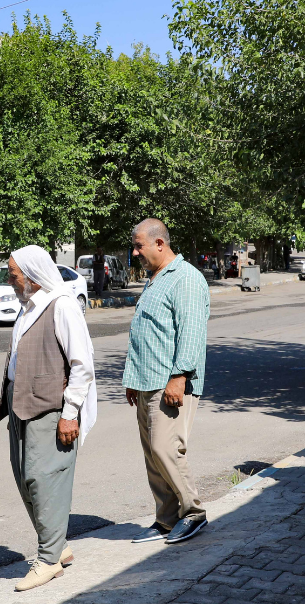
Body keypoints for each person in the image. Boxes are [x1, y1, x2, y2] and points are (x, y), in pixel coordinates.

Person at [0, 246, 97, 591]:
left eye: (13, 274)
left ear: (32, 276)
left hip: (50, 408)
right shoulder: (29, 307)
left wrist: (70, 414)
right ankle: (58, 546)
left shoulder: (62, 305)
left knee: (44, 478)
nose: (10, 280)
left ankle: (48, 560)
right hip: (20, 404)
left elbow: (82, 365)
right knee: (25, 477)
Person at [123, 218, 211, 545]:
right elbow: (147, 332)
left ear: (160, 244)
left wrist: (179, 377)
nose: (135, 253)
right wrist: (133, 378)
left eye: (139, 246)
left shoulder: (186, 278)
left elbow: (190, 333)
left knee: (166, 448)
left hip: (170, 383)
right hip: (147, 380)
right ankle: (166, 519)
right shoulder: (155, 278)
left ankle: (194, 513)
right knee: (152, 454)